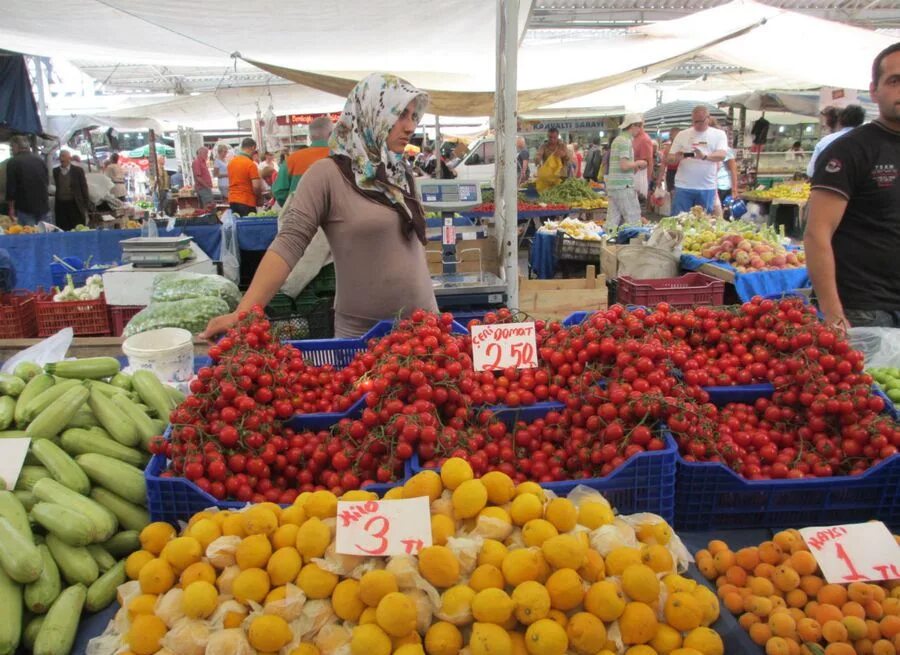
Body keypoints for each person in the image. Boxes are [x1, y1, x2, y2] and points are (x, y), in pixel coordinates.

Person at [201, 72, 437, 340]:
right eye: (399, 115)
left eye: (412, 116)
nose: (409, 126)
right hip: (363, 337)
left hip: (425, 330)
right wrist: (244, 313)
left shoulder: (398, 173)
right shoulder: (327, 174)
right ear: (370, 113)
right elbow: (289, 243)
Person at [804, 43, 900, 329]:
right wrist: (833, 314)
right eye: (895, 81)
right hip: (864, 310)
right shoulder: (850, 150)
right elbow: (816, 233)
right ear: (874, 90)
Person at [667, 106, 728, 214]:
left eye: (700, 121)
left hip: (706, 186)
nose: (697, 125)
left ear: (708, 118)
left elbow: (722, 155)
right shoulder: (682, 134)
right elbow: (669, 158)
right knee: (679, 221)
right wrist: (677, 157)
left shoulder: (719, 134)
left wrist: (704, 157)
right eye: (695, 122)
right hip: (683, 186)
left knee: (704, 223)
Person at [272, 116, 333, 206]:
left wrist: (291, 206)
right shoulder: (342, 157)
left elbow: (279, 191)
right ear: (331, 134)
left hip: (299, 215)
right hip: (334, 216)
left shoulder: (292, 159)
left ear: (310, 137)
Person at [605, 114, 647, 229]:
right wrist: (639, 163)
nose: (640, 130)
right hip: (624, 186)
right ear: (633, 126)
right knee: (633, 219)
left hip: (613, 186)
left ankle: (607, 242)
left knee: (612, 220)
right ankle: (633, 246)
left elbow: (621, 165)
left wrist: (633, 166)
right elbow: (624, 165)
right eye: (639, 126)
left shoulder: (617, 140)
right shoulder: (625, 141)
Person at [806, 104, 866, 177]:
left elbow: (811, 171)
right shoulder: (868, 141)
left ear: (841, 120)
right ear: (861, 121)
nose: (824, 125)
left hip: (830, 184)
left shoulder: (826, 141)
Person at [6, 135, 49, 226]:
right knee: (44, 236)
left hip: (25, 208)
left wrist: (11, 208)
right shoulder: (39, 160)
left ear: (16, 146)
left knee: (29, 235)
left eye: (11, 147)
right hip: (43, 206)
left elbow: (11, 188)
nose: (11, 150)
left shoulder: (13, 162)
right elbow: (46, 181)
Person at [52, 150, 90, 230]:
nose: (62, 159)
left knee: (77, 227)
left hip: (75, 205)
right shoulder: (55, 171)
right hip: (61, 206)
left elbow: (83, 187)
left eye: (64, 156)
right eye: (60, 156)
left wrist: (86, 204)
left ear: (69, 158)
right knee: (63, 228)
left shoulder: (78, 171)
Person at [227, 138, 262, 217]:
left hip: (232, 200)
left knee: (237, 226)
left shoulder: (231, 162)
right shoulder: (250, 164)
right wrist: (259, 198)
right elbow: (256, 186)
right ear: (253, 147)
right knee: (248, 227)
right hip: (246, 201)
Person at [534, 128, 570, 192]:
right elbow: (538, 156)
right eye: (550, 137)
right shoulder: (543, 146)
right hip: (548, 177)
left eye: (554, 137)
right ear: (547, 136)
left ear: (557, 136)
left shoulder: (562, 146)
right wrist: (538, 160)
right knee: (548, 193)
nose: (552, 139)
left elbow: (569, 159)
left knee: (560, 193)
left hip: (561, 176)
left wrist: (564, 155)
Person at [631, 120, 654, 200]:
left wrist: (646, 181)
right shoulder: (636, 138)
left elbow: (647, 162)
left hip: (640, 177)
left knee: (637, 205)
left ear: (637, 127)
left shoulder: (644, 139)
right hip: (635, 176)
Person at [656, 127, 681, 195]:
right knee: (673, 194)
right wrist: (659, 179)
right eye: (670, 135)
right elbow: (663, 164)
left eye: (671, 135)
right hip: (671, 173)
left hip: (681, 172)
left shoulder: (684, 147)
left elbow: (693, 155)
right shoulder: (668, 148)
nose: (670, 137)